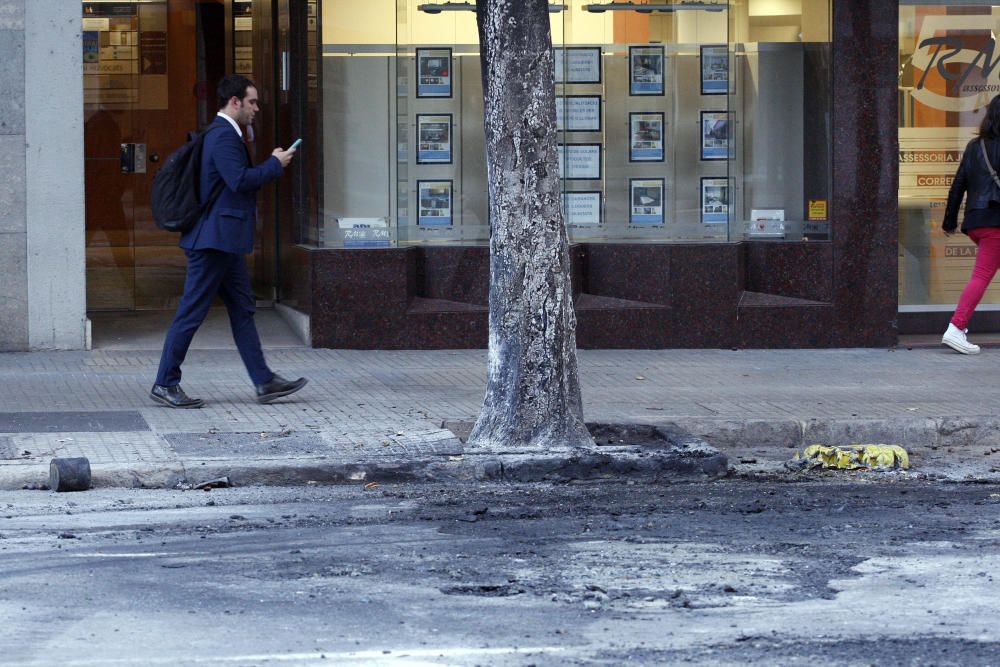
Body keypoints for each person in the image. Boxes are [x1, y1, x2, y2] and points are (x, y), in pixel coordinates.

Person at [150, 74, 307, 408]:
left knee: (242, 310)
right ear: (234, 102)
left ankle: (264, 381)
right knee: (191, 313)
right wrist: (274, 164)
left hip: (224, 242)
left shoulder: (226, 134)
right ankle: (165, 382)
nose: (256, 109)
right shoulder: (223, 136)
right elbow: (239, 181)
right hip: (212, 243)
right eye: (252, 102)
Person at [941, 94, 1000, 355]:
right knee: (981, 276)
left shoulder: (975, 146)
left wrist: (949, 221)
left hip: (978, 221)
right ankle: (956, 327)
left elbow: (958, 186)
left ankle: (957, 327)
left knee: (982, 274)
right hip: (995, 222)